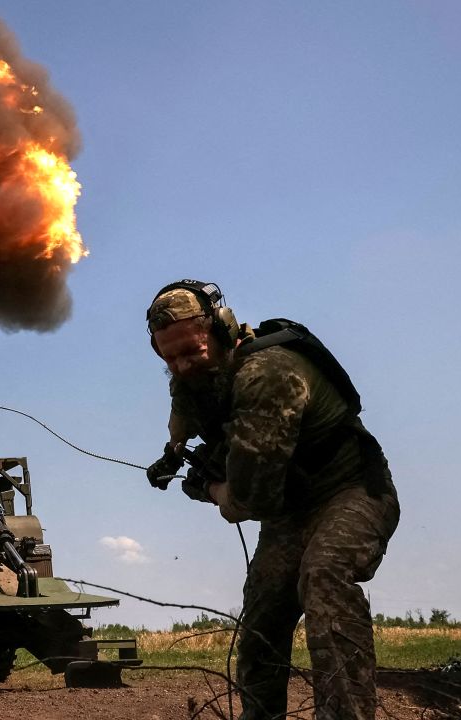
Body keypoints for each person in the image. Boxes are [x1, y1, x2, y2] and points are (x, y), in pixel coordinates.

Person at [144, 280, 400, 720]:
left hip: (351, 489)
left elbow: (250, 501)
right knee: (263, 615)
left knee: (324, 575)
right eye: (170, 358)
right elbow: (184, 412)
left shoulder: (266, 374)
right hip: (290, 509)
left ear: (221, 330)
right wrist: (173, 453)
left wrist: (208, 488)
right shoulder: (195, 376)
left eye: (191, 352)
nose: (182, 366)